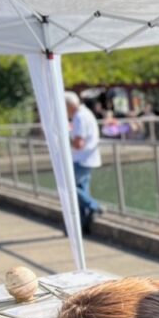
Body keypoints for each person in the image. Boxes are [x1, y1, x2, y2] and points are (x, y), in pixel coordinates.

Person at [64, 90, 104, 234]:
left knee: (68, 187)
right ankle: (84, 223)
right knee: (81, 189)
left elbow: (78, 143)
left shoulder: (79, 117)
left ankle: (94, 206)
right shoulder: (83, 114)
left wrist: (63, 139)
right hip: (86, 158)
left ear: (69, 105)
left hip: (82, 159)